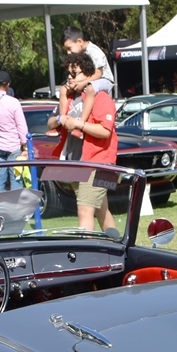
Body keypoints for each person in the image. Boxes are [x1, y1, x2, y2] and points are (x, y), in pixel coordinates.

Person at [49, 52, 118, 234]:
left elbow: (105, 131)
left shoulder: (101, 97)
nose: (70, 79)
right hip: (78, 163)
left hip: (101, 164)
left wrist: (78, 123)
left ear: (88, 74)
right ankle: (118, 246)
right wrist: (61, 119)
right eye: (68, 74)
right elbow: (50, 121)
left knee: (85, 211)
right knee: (101, 210)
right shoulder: (70, 98)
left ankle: (87, 256)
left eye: (75, 74)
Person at [0, 70, 29, 192]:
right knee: (16, 178)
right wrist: (25, 145)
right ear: (8, 85)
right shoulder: (13, 102)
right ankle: (16, 208)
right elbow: (21, 126)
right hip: (13, 145)